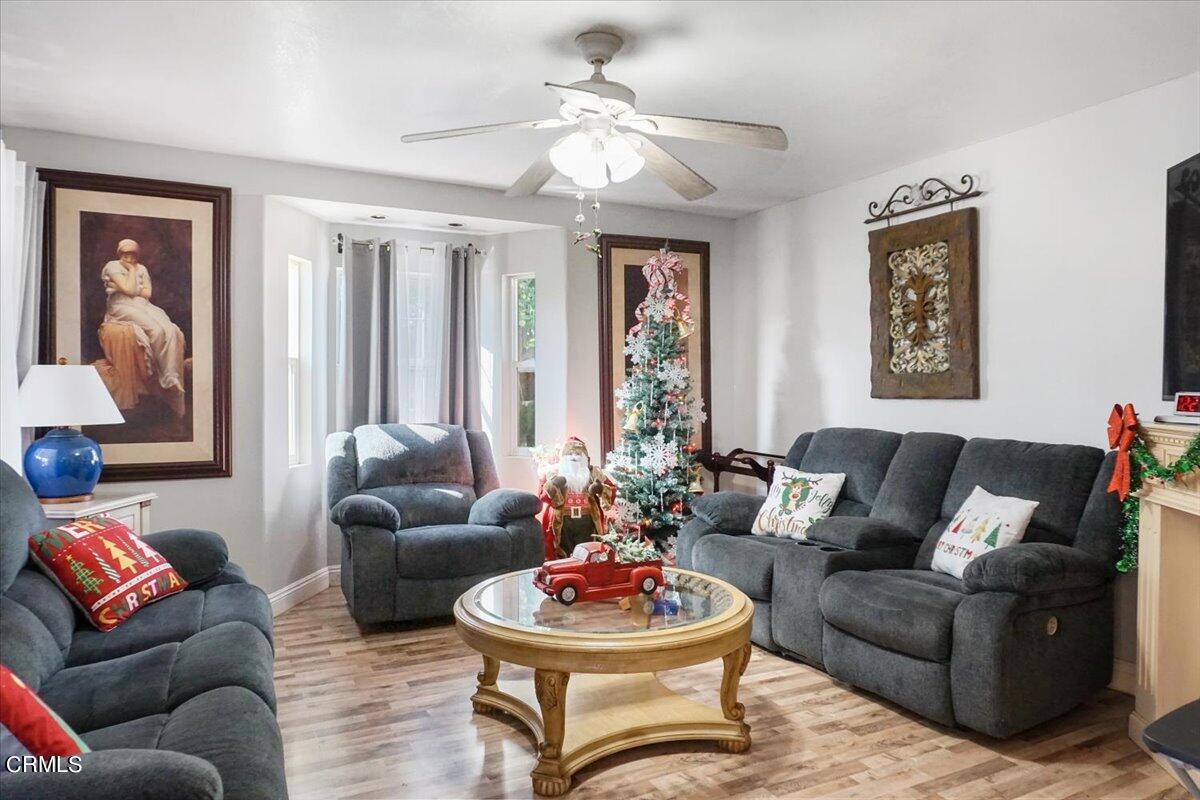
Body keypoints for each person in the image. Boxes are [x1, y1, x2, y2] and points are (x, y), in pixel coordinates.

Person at [100, 239, 186, 403]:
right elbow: (129, 290)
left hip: (143, 304)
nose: (130, 259)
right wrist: (131, 274)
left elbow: (147, 294)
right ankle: (155, 370)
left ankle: (171, 376)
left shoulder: (143, 268)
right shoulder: (112, 266)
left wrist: (118, 287)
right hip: (120, 306)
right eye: (126, 255)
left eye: (133, 255)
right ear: (120, 254)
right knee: (156, 330)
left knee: (170, 329)